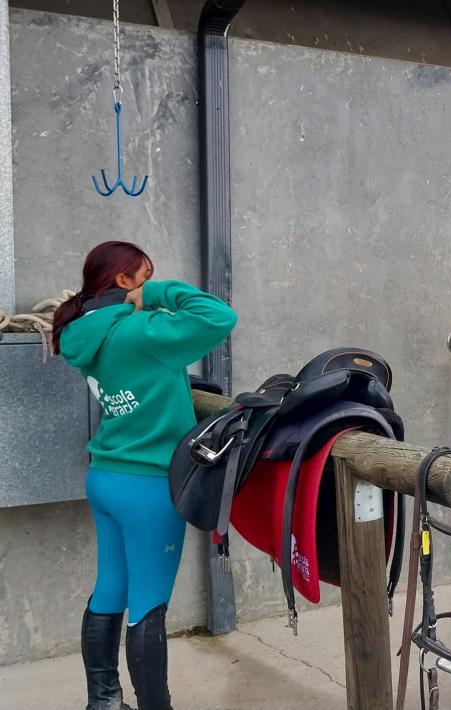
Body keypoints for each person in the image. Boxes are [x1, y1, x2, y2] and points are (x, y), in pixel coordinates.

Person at [54, 241, 237, 710]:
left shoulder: (83, 332)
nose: (149, 280)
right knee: (149, 600)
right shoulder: (143, 330)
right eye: (144, 274)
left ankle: (104, 702)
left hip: (105, 476)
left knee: (111, 587)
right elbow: (218, 316)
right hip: (149, 484)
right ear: (122, 281)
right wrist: (156, 294)